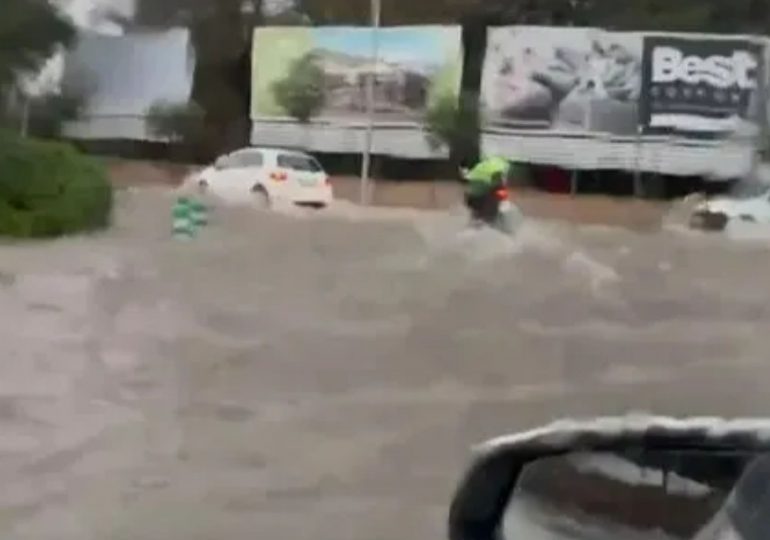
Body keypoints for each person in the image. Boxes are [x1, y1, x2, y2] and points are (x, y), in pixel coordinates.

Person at [462, 155, 512, 223]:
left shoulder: (478, 170)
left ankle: (477, 218)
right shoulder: (495, 181)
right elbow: (502, 196)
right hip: (482, 203)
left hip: (471, 200)